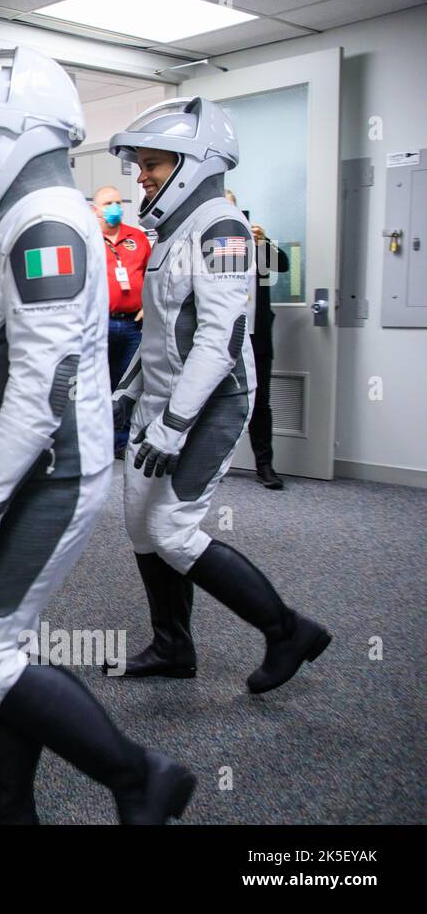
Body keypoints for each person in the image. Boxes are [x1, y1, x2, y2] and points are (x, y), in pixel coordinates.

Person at [0, 48, 195, 825]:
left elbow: (40, 392)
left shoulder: (48, 227)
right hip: (30, 470)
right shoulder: (31, 221)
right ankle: (7, 803)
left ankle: (140, 777)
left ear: (13, 138)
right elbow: (13, 373)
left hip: (49, 477)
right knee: (4, 637)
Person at [107, 99, 329, 692]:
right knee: (139, 524)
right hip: (162, 400)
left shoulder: (223, 229)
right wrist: (125, 394)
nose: (143, 175)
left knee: (173, 529)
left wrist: (175, 425)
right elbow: (161, 333)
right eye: (141, 165)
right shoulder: (172, 230)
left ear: (196, 162)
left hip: (210, 404)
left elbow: (223, 338)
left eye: (154, 163)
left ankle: (287, 630)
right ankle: (174, 647)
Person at [226, 189, 288, 490]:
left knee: (260, 403)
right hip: (220, 338)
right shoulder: (206, 245)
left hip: (256, 336)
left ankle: (265, 466)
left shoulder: (257, 245)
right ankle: (209, 465)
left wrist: (264, 242)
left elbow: (284, 266)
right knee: (212, 400)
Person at [92, 185, 151, 457]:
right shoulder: (87, 238)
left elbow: (154, 277)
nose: (114, 207)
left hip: (132, 324)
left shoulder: (137, 238)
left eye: (117, 201)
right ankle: (99, 439)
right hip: (99, 324)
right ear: (95, 209)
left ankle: (121, 441)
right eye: (108, 203)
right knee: (99, 383)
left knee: (127, 384)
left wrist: (148, 305)